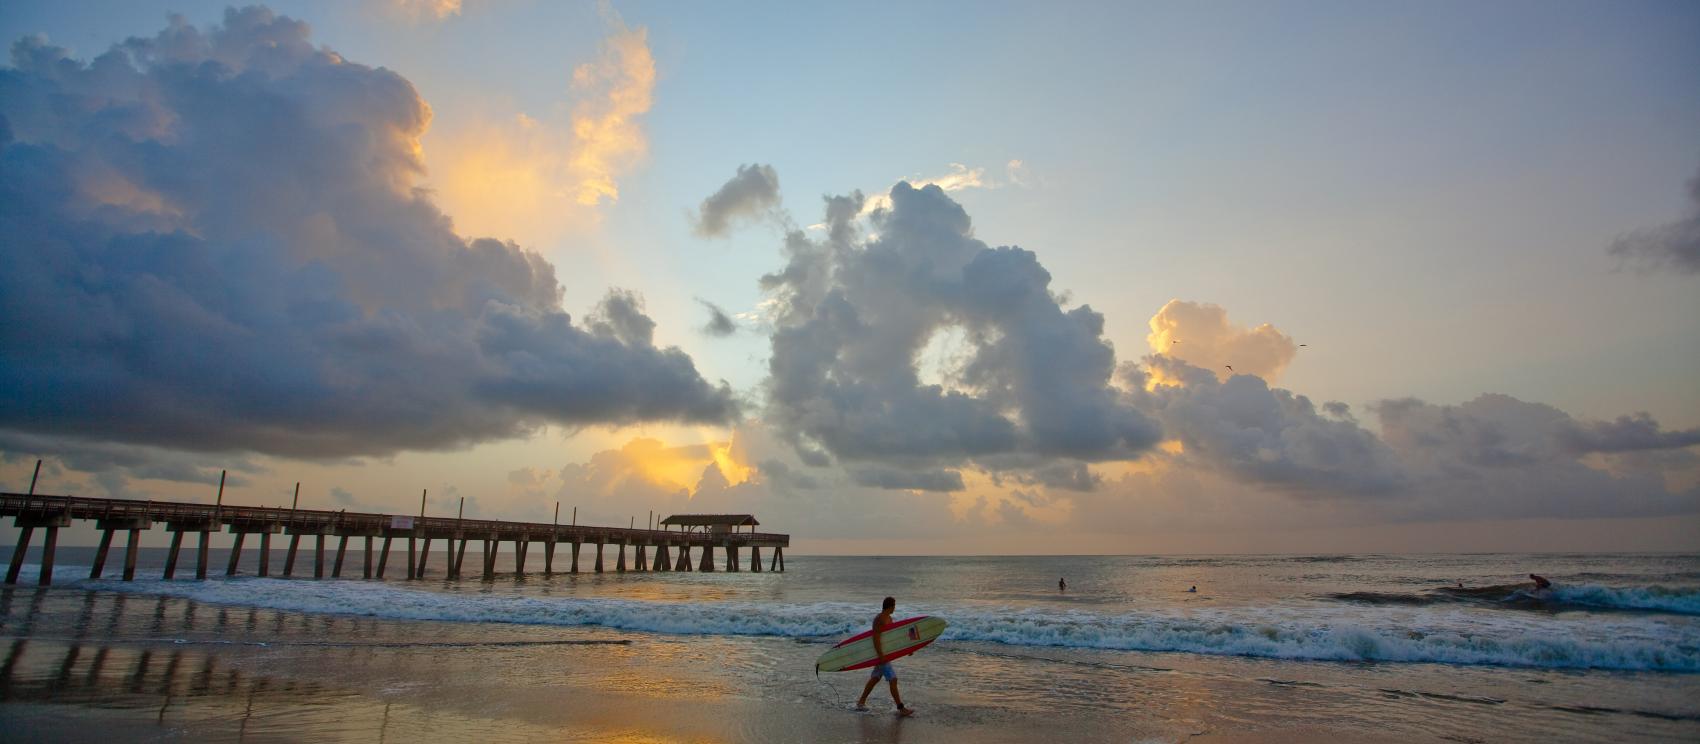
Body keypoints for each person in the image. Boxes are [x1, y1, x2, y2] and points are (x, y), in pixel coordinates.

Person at [855, 597, 914, 716]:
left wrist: (907, 649)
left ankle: (861, 702)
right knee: (893, 679)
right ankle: (900, 708)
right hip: (880, 654)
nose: (895, 608)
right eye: (894, 606)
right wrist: (880, 656)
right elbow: (875, 639)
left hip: (885, 654)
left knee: (876, 678)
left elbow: (892, 639)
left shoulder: (889, 619)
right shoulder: (879, 619)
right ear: (890, 606)